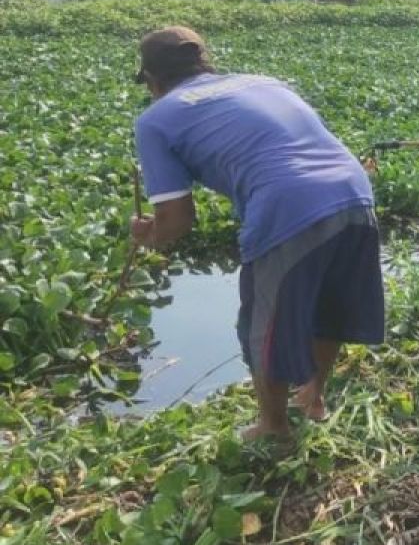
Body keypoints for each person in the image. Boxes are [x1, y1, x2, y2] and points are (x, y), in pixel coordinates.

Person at [129, 27, 384, 442]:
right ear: (204, 65)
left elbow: (176, 221)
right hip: (353, 190)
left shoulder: (155, 119)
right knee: (329, 304)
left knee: (263, 328)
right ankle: (313, 398)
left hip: (288, 206)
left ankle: (274, 428)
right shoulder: (262, 81)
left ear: (153, 81)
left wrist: (148, 236)